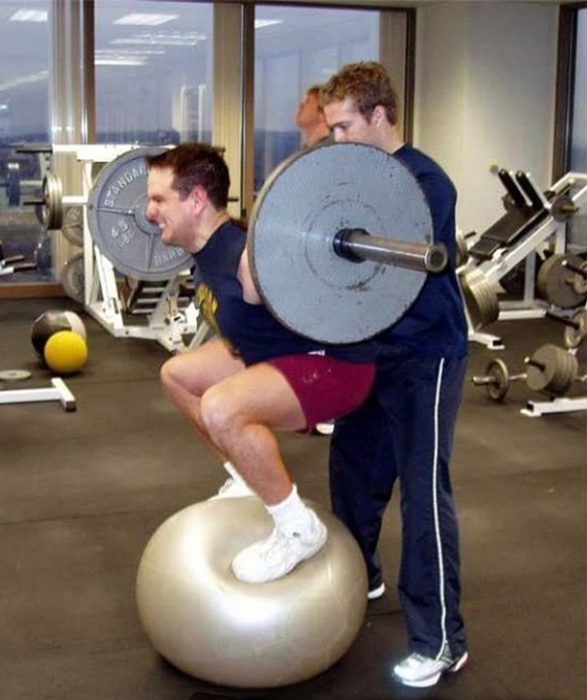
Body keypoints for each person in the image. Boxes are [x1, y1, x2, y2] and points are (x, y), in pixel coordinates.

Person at [145, 142, 376, 585]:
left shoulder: (244, 253)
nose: (149, 211)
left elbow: (320, 285)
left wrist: (268, 264)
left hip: (333, 366)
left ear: (195, 201)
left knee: (221, 407)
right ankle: (246, 478)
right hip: (272, 356)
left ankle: (297, 528)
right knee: (177, 375)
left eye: (159, 199)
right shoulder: (207, 250)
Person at [321, 62, 469, 689]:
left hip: (425, 355)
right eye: (330, 129)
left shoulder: (427, 181)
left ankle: (441, 641)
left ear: (380, 117)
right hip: (370, 351)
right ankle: (362, 574)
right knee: (352, 469)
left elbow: (405, 269)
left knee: (422, 493)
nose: (336, 140)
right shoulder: (350, 177)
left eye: (345, 126)